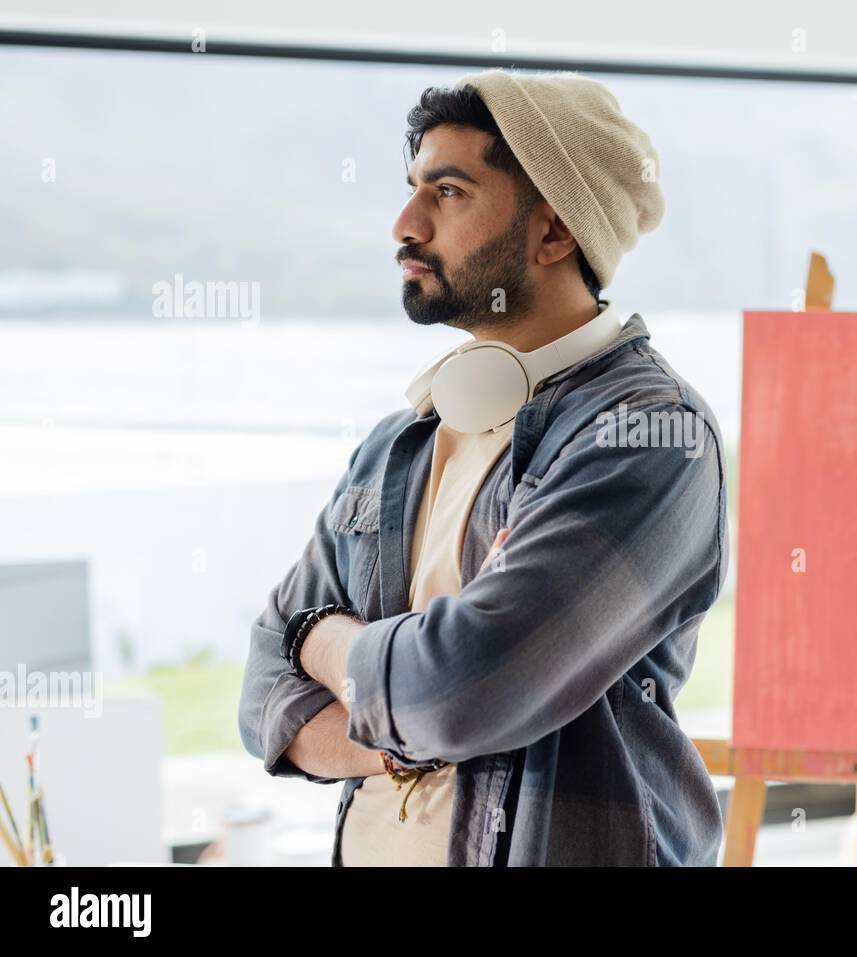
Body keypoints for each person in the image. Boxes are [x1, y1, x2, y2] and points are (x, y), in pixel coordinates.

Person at [237, 68, 729, 866]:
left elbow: (462, 685)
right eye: (412, 190)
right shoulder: (398, 444)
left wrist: (320, 639)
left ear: (554, 232)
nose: (405, 224)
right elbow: (266, 696)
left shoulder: (650, 434)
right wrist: (405, 731)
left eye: (450, 192)